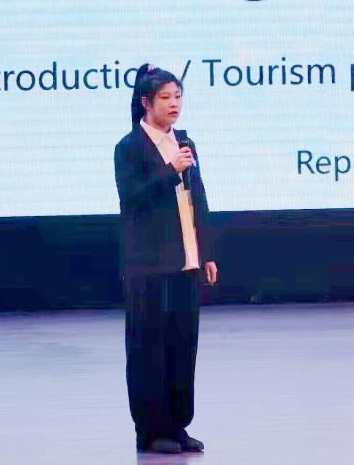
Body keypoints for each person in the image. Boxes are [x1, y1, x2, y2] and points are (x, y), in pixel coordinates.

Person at [114, 63, 219, 455]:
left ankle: (178, 425)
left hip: (186, 260)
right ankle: (151, 429)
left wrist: (207, 252)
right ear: (146, 102)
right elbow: (132, 199)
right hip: (148, 265)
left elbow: (198, 199)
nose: (174, 104)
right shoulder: (129, 147)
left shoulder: (185, 141)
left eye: (178, 96)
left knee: (182, 346)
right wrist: (169, 171)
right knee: (149, 349)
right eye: (165, 97)